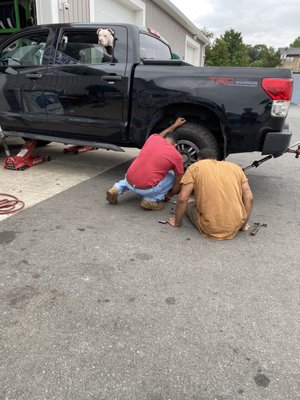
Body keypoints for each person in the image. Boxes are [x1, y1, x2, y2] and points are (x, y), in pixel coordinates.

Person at [168, 148, 254, 240]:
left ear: (198, 159)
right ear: (215, 159)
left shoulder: (195, 167)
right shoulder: (236, 168)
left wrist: (177, 222)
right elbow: (249, 198)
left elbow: (182, 198)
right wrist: (243, 225)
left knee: (188, 203)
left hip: (210, 228)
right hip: (236, 225)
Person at [106, 117, 186, 211]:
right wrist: (170, 194)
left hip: (129, 180)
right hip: (145, 189)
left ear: (163, 138)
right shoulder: (176, 156)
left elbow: (160, 135)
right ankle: (151, 200)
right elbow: (178, 183)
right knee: (173, 176)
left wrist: (174, 125)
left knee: (138, 168)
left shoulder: (153, 138)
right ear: (176, 145)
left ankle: (116, 188)